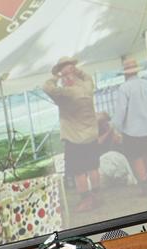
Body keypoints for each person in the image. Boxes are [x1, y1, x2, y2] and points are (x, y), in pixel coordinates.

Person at [44, 56, 103, 213]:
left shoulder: (65, 93)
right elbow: (88, 78)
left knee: (79, 171)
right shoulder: (86, 87)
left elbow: (47, 87)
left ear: (66, 78)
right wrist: (78, 72)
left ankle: (86, 200)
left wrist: (56, 77)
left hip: (74, 138)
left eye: (63, 77)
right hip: (91, 134)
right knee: (93, 168)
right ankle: (97, 196)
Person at [112, 58, 147, 195]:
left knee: (136, 156)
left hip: (133, 130)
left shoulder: (124, 88)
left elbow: (121, 111)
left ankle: (145, 185)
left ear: (125, 73)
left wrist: (117, 128)